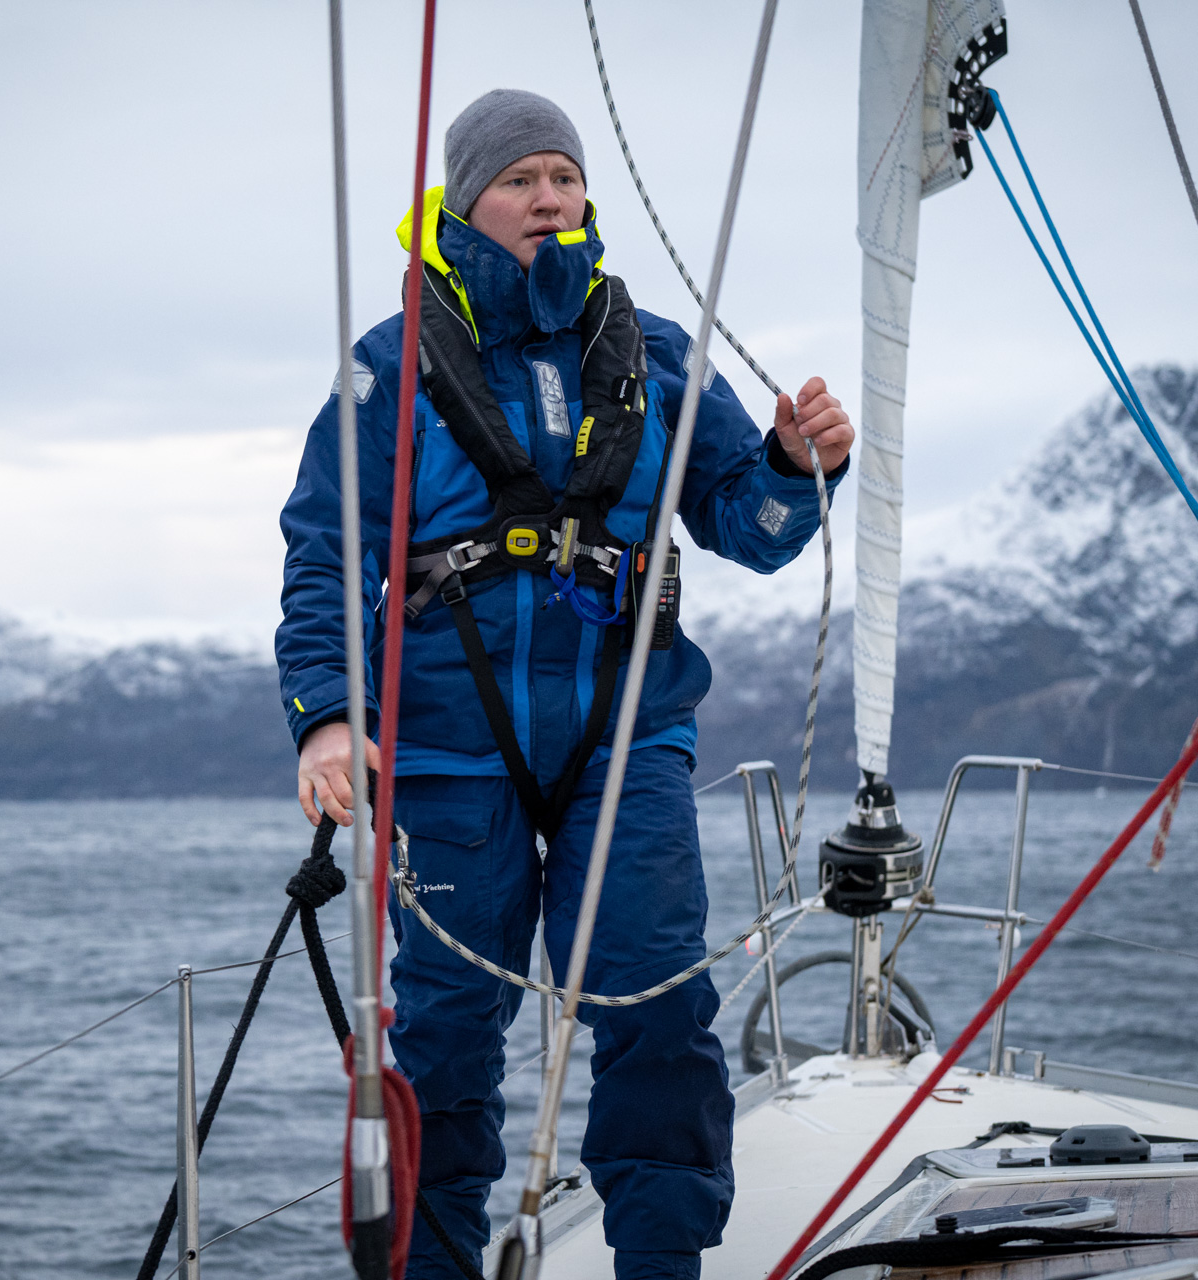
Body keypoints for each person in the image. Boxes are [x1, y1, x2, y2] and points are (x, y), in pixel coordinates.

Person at [276, 89, 852, 1280]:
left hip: (624, 734)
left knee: (656, 1007)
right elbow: (324, 548)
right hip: (443, 745)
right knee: (439, 1038)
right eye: (522, 178)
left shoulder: (653, 355)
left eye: (565, 176)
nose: (550, 197)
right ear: (464, 199)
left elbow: (749, 522)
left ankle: (662, 1262)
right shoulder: (390, 366)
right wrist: (328, 717)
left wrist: (797, 466)